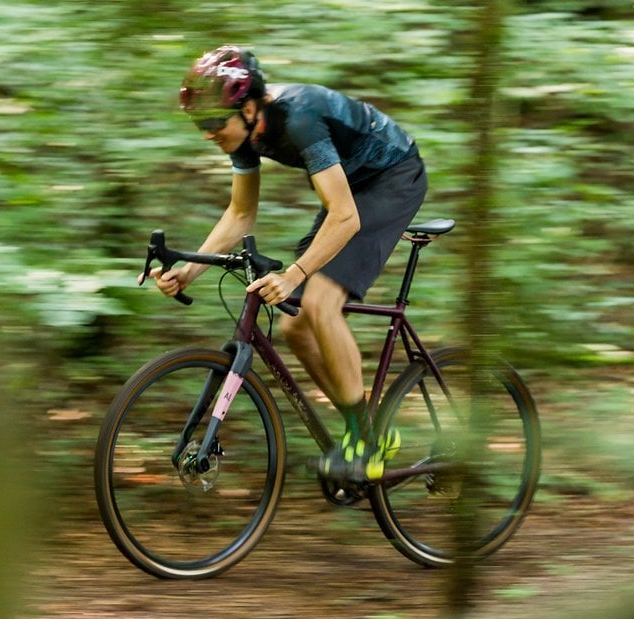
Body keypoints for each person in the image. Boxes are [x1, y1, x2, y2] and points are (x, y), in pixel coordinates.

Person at [150, 45, 427, 484]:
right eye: (200, 124)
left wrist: (294, 273)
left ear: (251, 107)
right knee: (295, 323)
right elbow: (240, 214)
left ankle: (363, 443)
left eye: (214, 123)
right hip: (346, 183)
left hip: (391, 176)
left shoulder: (299, 118)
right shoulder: (243, 133)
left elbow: (346, 216)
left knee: (319, 301)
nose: (207, 133)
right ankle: (368, 432)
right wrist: (190, 271)